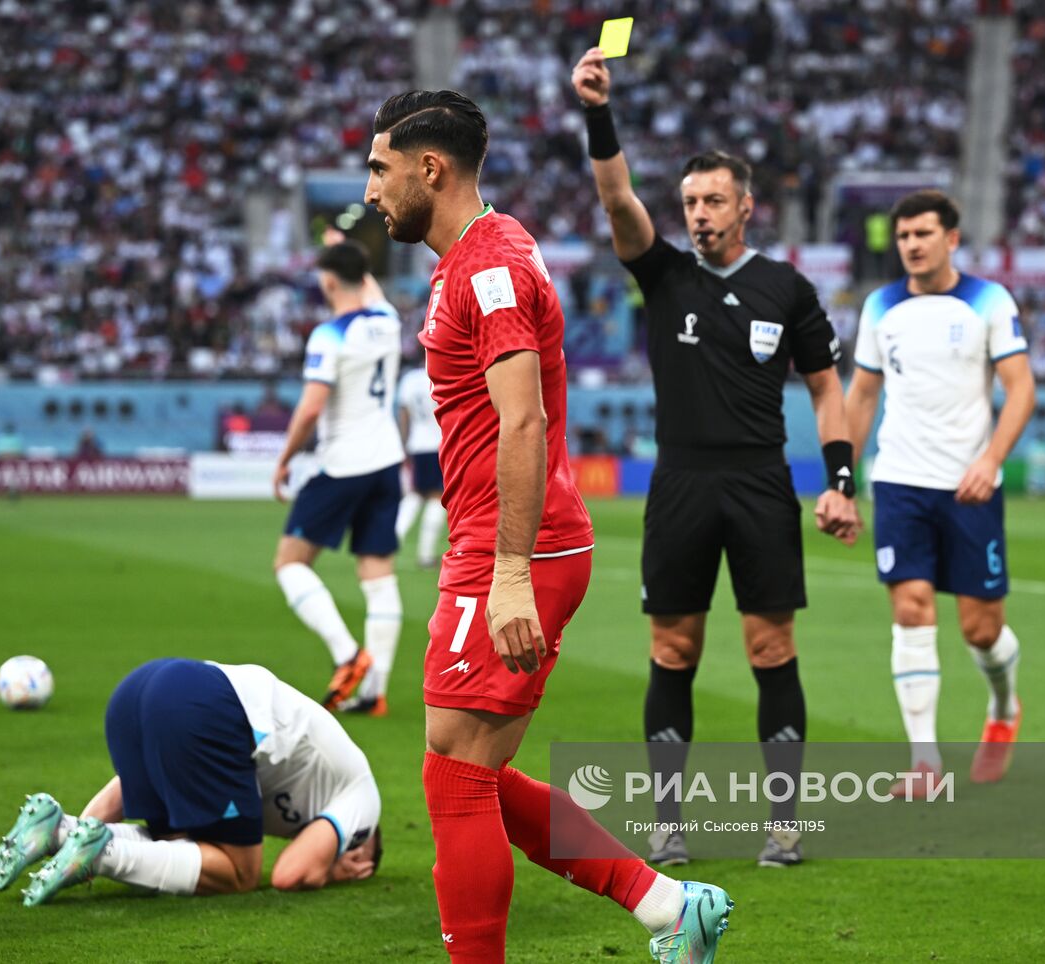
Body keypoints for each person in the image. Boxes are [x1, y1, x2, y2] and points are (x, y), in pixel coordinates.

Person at [365, 89, 732, 963]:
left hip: (515, 546)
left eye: (380, 169)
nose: (370, 190)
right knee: (468, 770)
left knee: (456, 779)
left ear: (429, 169)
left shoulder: (488, 267)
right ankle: (667, 906)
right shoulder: (475, 255)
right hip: (497, 538)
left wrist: (509, 572)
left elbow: (523, 421)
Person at [572, 47, 861, 868]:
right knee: (673, 650)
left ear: (745, 208)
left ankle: (784, 823)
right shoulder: (664, 275)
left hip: (762, 482)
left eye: (713, 201)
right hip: (682, 484)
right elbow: (616, 196)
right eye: (691, 202)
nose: (699, 214)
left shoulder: (788, 289)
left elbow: (826, 389)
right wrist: (599, 111)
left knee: (772, 648)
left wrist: (841, 480)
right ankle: (669, 823)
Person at [844, 189, 1037, 790]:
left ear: (951, 239)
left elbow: (1021, 388)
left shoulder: (988, 300)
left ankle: (1003, 707)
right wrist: (841, 480)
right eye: (904, 236)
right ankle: (924, 762)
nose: (912, 245)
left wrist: (991, 459)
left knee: (981, 629)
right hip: (899, 481)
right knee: (910, 609)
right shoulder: (880, 306)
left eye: (923, 234)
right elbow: (862, 396)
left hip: (969, 487)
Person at [0, 658, 382, 906]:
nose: (352, 857)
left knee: (183, 845)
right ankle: (104, 853)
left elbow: (128, 784)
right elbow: (290, 874)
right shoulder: (362, 797)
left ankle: (57, 829)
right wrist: (330, 869)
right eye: (359, 857)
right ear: (364, 845)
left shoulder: (307, 788)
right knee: (241, 873)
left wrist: (77, 830)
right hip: (206, 702)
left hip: (138, 691)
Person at [272, 241, 404, 717]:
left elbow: (311, 408)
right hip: (387, 460)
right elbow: (368, 285)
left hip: (343, 464)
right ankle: (375, 691)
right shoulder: (388, 321)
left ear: (328, 281)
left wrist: (285, 458)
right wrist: (345, 254)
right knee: (378, 574)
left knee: (290, 563)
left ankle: (348, 656)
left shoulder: (329, 335)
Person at [394, 347, 447, 568]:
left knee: (415, 494)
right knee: (437, 496)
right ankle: (426, 555)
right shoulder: (441, 374)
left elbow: (404, 414)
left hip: (417, 444)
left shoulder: (409, 379)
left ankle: (391, 541)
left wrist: (404, 444)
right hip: (439, 443)